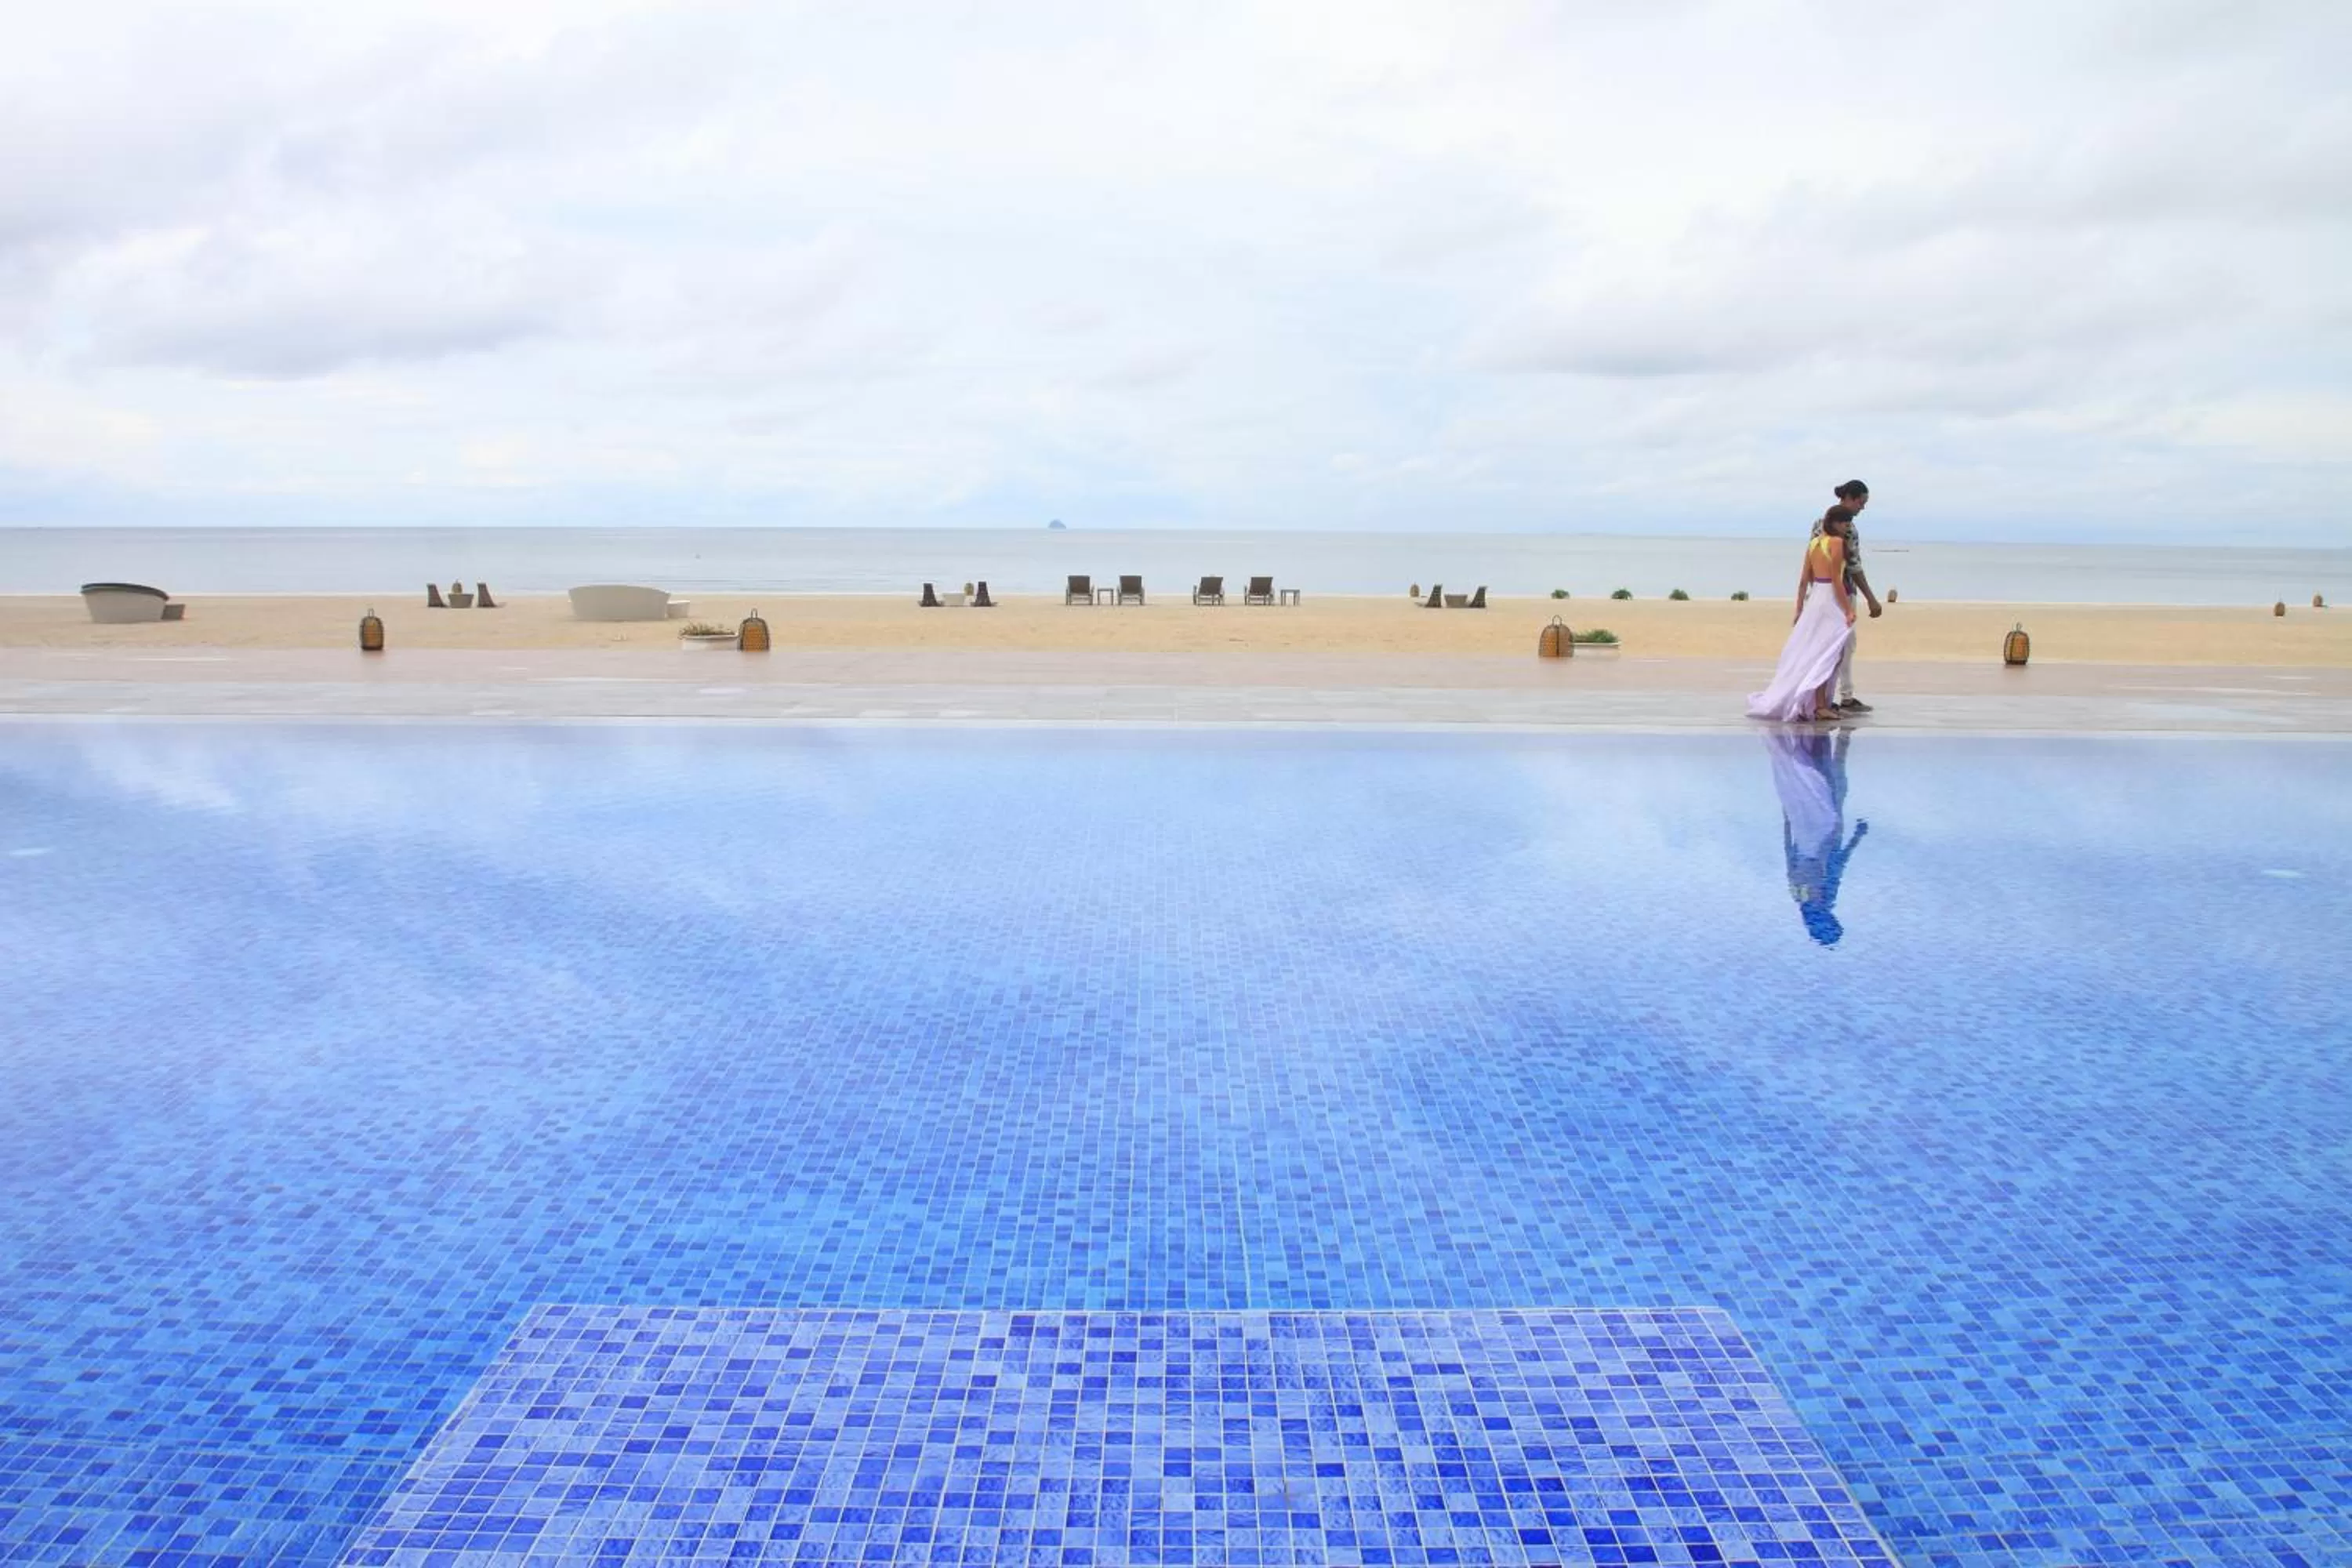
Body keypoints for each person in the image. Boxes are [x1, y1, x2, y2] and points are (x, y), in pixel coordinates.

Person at [1746, 506, 1858, 723]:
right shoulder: (1835, 543)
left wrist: (1799, 608)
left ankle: (1819, 703)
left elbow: (1803, 581)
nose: (1847, 528)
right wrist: (1848, 609)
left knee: (1819, 651)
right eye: (1845, 524)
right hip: (1829, 598)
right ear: (1835, 523)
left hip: (1816, 596)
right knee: (1830, 653)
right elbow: (1836, 579)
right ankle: (1820, 705)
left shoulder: (1814, 543)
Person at [1766, 727, 1868, 946]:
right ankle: (1815, 738)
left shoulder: (1823, 896)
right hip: (1807, 829)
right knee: (1826, 779)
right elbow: (1789, 853)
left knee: (1835, 778)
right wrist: (1788, 817)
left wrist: (1857, 837)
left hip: (1825, 831)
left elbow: (1838, 863)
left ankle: (1839, 735)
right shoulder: (1797, 894)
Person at [1819, 480, 1882, 713]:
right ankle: (1834, 697)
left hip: (1826, 592)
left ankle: (1836, 696)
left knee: (1839, 645)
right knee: (1840, 645)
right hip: (1838, 594)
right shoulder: (1844, 530)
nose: (1861, 508)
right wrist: (1871, 599)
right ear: (1849, 498)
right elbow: (1852, 567)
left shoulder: (1826, 526)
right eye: (1860, 502)